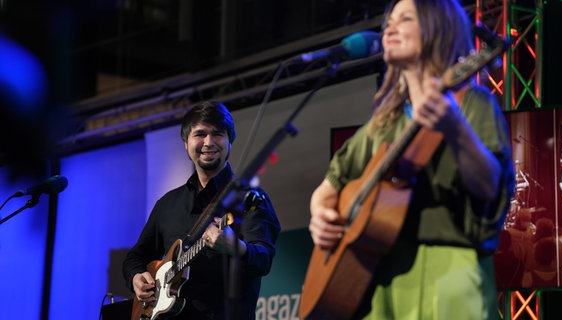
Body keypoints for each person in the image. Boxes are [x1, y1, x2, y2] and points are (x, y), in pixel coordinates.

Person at [308, 0, 515, 319]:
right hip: (375, 284)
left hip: (448, 277)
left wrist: (454, 129)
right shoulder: (382, 123)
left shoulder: (472, 104)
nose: (390, 27)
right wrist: (320, 214)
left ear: (438, 30)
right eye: (388, 21)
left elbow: (491, 189)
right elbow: (329, 185)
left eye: (405, 19)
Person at [122, 101, 281, 320]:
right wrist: (136, 278)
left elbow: (264, 259)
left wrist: (236, 247)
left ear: (229, 141)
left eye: (218, 134)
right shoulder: (168, 204)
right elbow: (135, 257)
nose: (209, 142)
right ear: (186, 143)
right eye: (200, 134)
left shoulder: (249, 198)